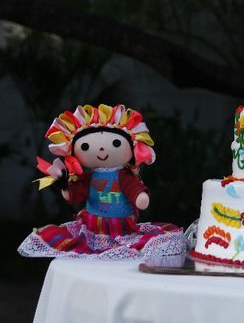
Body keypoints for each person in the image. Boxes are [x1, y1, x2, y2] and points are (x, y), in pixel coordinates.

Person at [18, 104, 184, 259]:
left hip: (121, 226)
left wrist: (139, 196)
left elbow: (133, 187)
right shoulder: (87, 178)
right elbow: (75, 195)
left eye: (116, 143)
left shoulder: (123, 175)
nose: (102, 149)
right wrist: (65, 187)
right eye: (85, 147)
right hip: (92, 227)